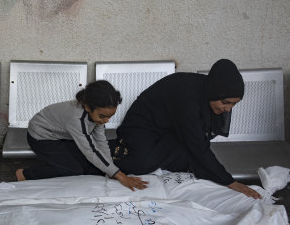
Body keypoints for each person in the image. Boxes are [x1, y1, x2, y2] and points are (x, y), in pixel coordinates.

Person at [111, 59, 261, 199]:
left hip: (169, 130)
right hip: (141, 127)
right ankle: (101, 152)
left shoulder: (207, 91)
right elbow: (196, 142)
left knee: (185, 162)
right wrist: (229, 181)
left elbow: (197, 140)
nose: (228, 109)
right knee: (141, 164)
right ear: (215, 92)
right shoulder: (186, 97)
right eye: (226, 102)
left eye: (233, 104)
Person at [15, 80, 148, 191]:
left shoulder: (98, 115)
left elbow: (101, 142)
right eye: (102, 116)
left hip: (63, 136)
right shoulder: (77, 119)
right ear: (88, 107)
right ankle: (25, 174)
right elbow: (90, 150)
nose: (106, 120)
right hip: (41, 137)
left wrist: (112, 170)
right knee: (73, 170)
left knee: (94, 165)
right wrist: (120, 175)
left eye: (110, 117)